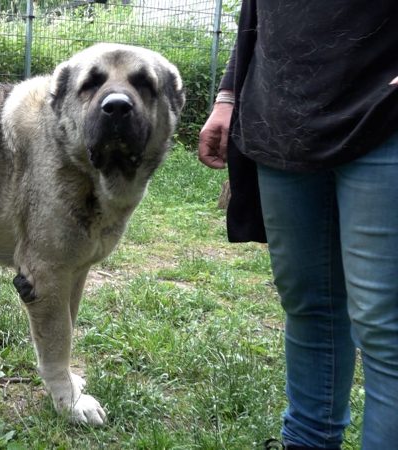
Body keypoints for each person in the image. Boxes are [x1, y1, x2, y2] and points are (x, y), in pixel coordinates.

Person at [197, 1, 398, 449]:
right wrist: (228, 96)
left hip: (386, 114)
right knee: (308, 303)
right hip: (284, 119)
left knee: (386, 327)